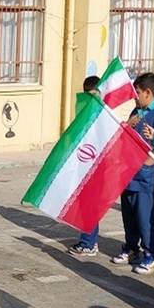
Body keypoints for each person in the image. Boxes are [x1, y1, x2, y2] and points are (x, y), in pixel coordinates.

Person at [114, 72, 154, 275]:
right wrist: (126, 126)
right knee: (129, 214)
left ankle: (151, 254)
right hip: (129, 172)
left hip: (146, 175)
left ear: (148, 93)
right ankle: (131, 248)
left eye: (137, 92)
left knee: (145, 217)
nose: (134, 97)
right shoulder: (136, 111)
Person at [68, 75, 102, 257]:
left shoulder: (104, 116)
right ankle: (88, 240)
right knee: (84, 206)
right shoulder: (85, 114)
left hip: (96, 169)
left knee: (90, 206)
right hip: (84, 166)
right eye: (87, 95)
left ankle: (88, 243)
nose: (90, 99)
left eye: (93, 95)